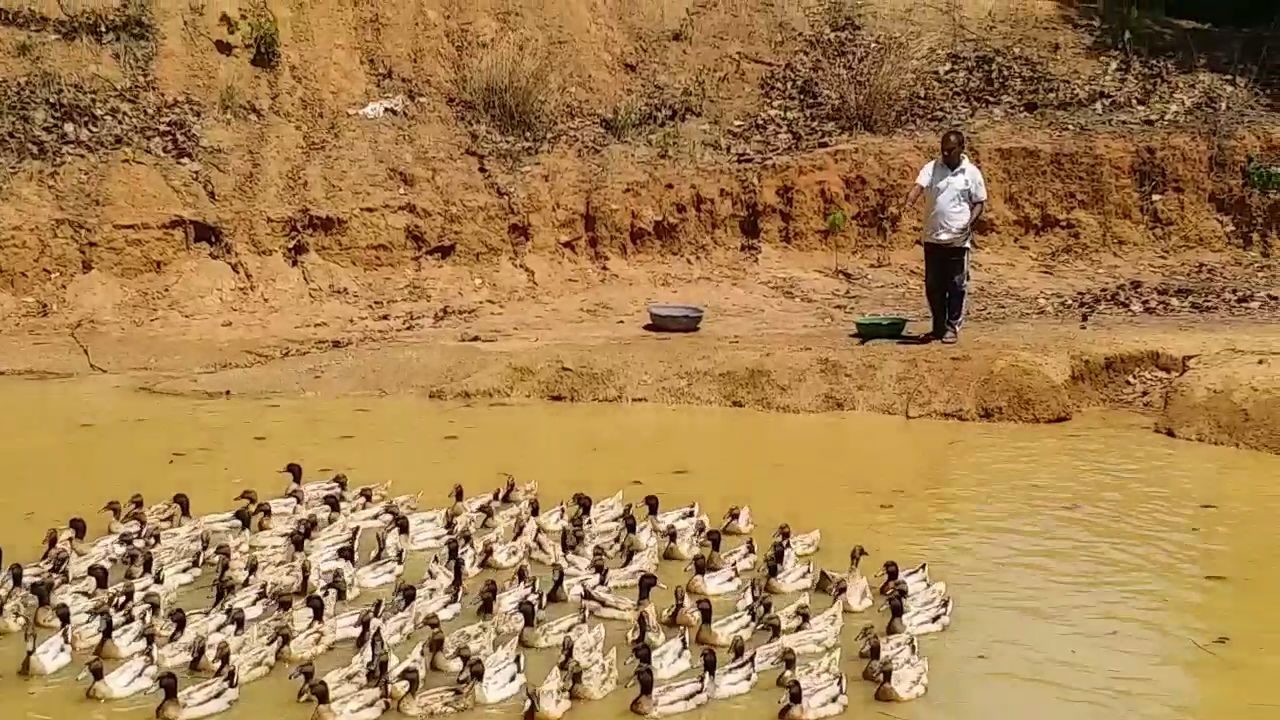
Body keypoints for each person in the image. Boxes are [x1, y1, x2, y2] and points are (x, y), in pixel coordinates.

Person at [897, 130, 987, 344]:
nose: (945, 154)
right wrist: (908, 203)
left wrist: (968, 224)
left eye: (950, 150)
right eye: (943, 150)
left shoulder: (971, 173)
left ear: (961, 148)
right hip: (933, 238)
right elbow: (918, 187)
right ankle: (938, 325)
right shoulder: (932, 168)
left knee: (956, 284)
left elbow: (979, 203)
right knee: (933, 285)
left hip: (957, 240)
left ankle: (951, 327)